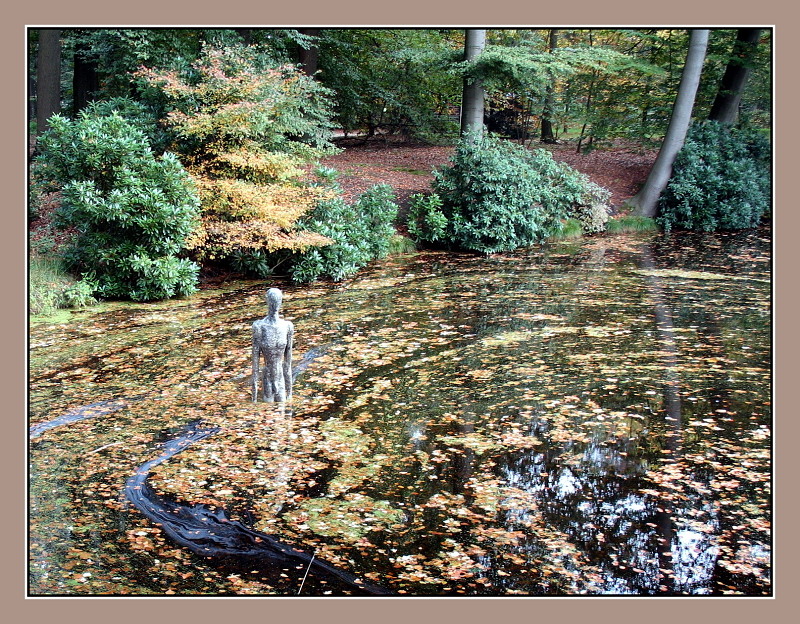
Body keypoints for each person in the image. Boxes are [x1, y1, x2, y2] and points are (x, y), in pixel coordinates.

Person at [252, 287, 294, 402]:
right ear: (268, 302)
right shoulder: (259, 327)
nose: (275, 304)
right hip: (268, 378)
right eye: (272, 301)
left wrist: (290, 394)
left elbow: (288, 364)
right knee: (268, 411)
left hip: (281, 378)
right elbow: (255, 365)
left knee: (282, 408)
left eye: (277, 301)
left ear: (281, 302)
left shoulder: (287, 326)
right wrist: (254, 399)